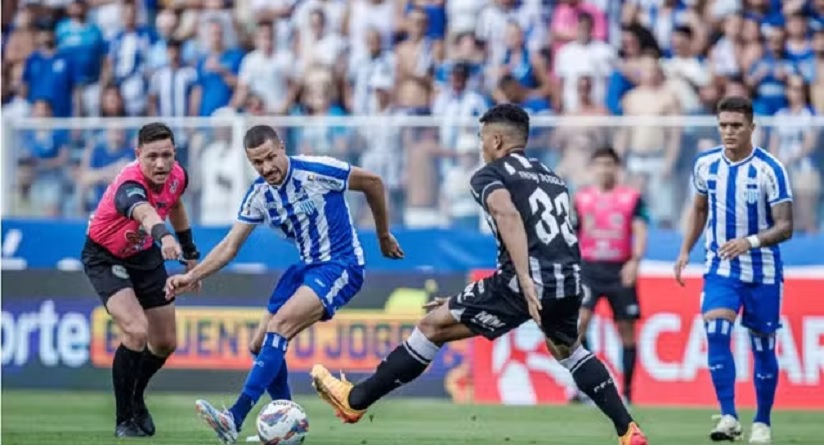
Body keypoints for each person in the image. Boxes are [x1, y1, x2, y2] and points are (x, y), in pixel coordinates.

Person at [310, 104, 649, 445]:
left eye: (482, 139)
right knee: (569, 349)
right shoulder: (551, 177)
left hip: (524, 279)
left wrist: (526, 281)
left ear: (498, 140)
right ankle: (628, 430)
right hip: (569, 278)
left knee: (431, 327)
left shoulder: (490, 174)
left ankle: (355, 401)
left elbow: (508, 215)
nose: (481, 146)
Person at [164, 125, 404, 444]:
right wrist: (191, 276)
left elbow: (373, 182)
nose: (266, 168)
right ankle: (289, 427)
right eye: (257, 163)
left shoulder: (316, 171)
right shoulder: (260, 194)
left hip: (341, 264)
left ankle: (234, 418)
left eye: (270, 158)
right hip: (304, 268)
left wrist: (383, 235)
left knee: (279, 327)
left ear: (281, 147)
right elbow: (229, 246)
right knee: (258, 344)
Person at [675, 96, 793, 445]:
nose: (729, 132)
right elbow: (698, 209)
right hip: (720, 267)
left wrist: (751, 242)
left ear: (751, 128)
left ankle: (762, 422)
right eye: (723, 125)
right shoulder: (705, 165)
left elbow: (785, 226)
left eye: (736, 126)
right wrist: (684, 251)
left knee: (762, 347)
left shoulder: (771, 169)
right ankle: (728, 416)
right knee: (716, 330)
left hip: (763, 272)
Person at [81, 122, 199, 437]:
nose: (160, 164)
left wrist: (189, 254)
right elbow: (147, 213)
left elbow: (175, 205)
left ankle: (135, 397)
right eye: (152, 157)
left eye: (167, 155)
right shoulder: (128, 184)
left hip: (144, 255)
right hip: (106, 256)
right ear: (138, 155)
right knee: (135, 331)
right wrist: (165, 239)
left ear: (175, 153)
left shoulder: (177, 175)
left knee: (164, 342)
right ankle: (124, 420)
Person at [574, 147, 649, 404]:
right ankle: (590, 387)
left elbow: (639, 229)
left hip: (620, 268)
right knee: (579, 325)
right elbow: (572, 234)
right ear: (592, 168)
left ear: (617, 168)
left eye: (609, 164)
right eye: (600, 164)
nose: (604, 169)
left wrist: (635, 261)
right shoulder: (581, 199)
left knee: (626, 330)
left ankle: (627, 393)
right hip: (589, 269)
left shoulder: (631, 198)